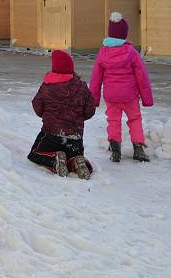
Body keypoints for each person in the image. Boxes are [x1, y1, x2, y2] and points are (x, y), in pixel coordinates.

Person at [90, 12, 154, 163]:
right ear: (124, 35)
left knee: (113, 120)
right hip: (130, 96)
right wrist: (147, 99)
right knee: (134, 119)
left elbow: (95, 78)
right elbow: (142, 77)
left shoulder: (103, 52)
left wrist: (94, 99)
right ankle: (138, 148)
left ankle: (115, 150)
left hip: (111, 96)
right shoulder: (131, 52)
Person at [29, 50, 95, 179]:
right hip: (75, 137)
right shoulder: (82, 87)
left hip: (51, 135)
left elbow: (37, 107)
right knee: (72, 154)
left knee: (35, 153)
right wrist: (77, 119)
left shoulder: (47, 86)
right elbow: (90, 111)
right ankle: (76, 161)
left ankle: (54, 160)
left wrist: (48, 116)